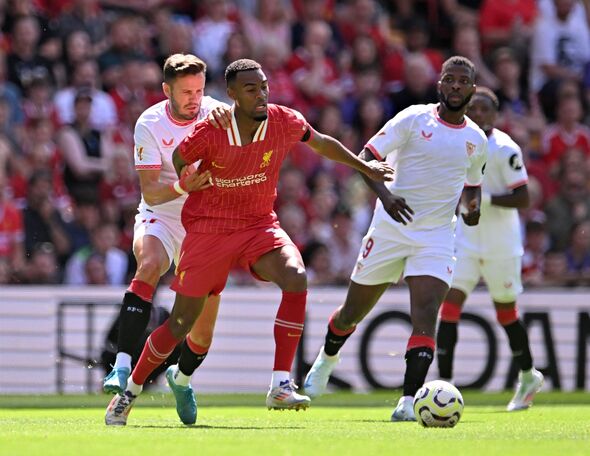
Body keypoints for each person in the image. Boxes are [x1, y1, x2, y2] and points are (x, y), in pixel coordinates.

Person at [105, 58, 394, 426]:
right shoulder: (209, 129)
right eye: (250, 89)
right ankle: (130, 388)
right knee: (181, 324)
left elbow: (321, 142)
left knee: (296, 276)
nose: (261, 95)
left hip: (258, 224)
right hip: (208, 229)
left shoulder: (283, 120)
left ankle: (280, 383)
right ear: (232, 96)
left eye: (263, 87)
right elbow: (179, 157)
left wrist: (366, 167)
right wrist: (188, 177)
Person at [303, 56, 488, 422]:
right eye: (448, 79)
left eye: (461, 81)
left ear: (472, 89)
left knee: (425, 315)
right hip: (389, 229)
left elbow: (472, 186)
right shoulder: (413, 119)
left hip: (435, 236)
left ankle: (407, 401)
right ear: (439, 84)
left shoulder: (475, 140)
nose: (454, 86)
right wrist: (385, 197)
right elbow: (365, 158)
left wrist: (473, 208)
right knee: (352, 312)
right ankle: (326, 359)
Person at [102, 54, 230, 400]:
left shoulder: (218, 113)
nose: (195, 99)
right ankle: (122, 363)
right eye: (186, 91)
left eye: (200, 90)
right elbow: (151, 192)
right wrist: (182, 187)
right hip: (162, 211)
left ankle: (182, 380)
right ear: (166, 90)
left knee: (200, 333)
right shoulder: (150, 123)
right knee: (150, 265)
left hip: (204, 220)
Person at [435, 87, 544, 412]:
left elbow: (524, 198)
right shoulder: (460, 141)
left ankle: (528, 375)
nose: (479, 114)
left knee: (506, 313)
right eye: (475, 108)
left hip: (501, 245)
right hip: (466, 241)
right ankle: (446, 384)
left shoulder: (505, 148)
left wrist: (483, 200)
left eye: (485, 110)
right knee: (449, 306)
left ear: (496, 115)